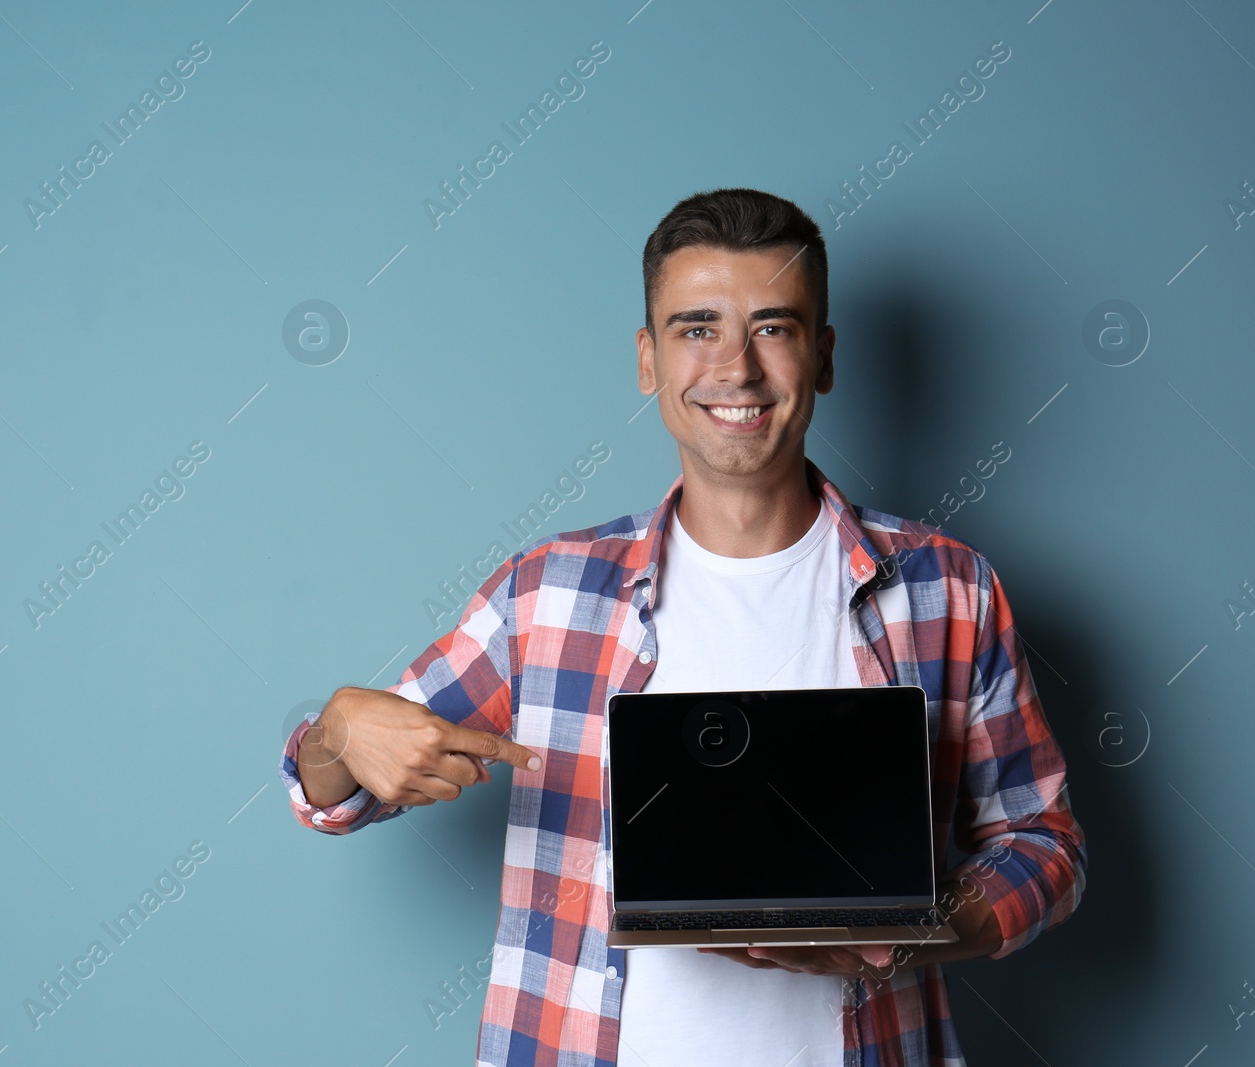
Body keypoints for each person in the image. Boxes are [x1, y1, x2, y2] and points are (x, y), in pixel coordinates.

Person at [279, 188, 1087, 1066]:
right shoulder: (546, 593)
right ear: (648, 360)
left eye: (773, 328)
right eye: (697, 328)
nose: (735, 367)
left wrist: (916, 930)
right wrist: (341, 728)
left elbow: (1045, 845)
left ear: (821, 357)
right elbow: (333, 796)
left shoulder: (950, 590)